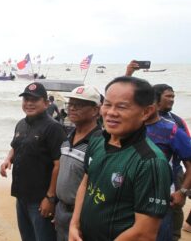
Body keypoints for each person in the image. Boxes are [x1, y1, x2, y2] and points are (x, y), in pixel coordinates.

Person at [69, 76, 172, 241]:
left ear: (146, 112)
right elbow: (86, 182)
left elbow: (144, 233)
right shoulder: (97, 140)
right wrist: (74, 224)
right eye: (107, 104)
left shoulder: (150, 162)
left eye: (122, 107)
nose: (111, 113)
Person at [0, 82, 66, 241]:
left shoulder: (54, 128)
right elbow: (15, 146)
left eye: (34, 100)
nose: (29, 103)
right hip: (21, 196)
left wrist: (50, 198)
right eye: (26, 99)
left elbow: (59, 164)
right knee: (27, 237)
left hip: (40, 200)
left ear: (46, 103)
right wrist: (8, 159)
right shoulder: (21, 124)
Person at [54, 85, 102, 241]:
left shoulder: (100, 143)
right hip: (61, 209)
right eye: (71, 104)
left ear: (95, 110)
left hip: (83, 216)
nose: (72, 109)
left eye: (79, 105)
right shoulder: (68, 136)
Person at [144, 86, 191, 241]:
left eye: (173, 96)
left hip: (162, 195)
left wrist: (183, 191)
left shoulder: (172, 128)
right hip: (135, 193)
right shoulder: (133, 126)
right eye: (168, 96)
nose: (172, 99)